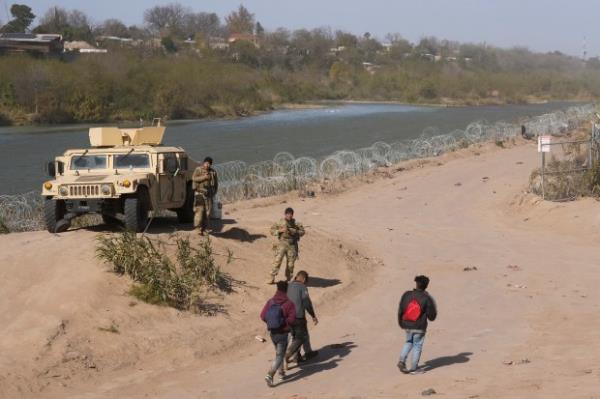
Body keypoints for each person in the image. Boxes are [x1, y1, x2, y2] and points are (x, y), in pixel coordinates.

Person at [397, 275, 437, 374]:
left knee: (409, 342)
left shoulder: (406, 294)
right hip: (419, 326)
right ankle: (414, 369)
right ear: (426, 285)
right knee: (417, 346)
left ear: (416, 283)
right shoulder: (427, 297)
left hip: (407, 324)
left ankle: (402, 360)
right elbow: (432, 316)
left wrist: (401, 323)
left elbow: (401, 309)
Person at [260, 280, 296, 387]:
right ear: (287, 289)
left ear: (277, 289)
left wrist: (272, 322)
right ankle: (270, 375)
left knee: (278, 353)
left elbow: (262, 316)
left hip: (272, 333)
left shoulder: (270, 302)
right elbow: (292, 319)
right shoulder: (289, 303)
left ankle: (281, 373)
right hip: (283, 333)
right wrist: (284, 324)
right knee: (280, 355)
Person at [285, 271, 319, 366]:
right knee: (302, 336)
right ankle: (290, 354)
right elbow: (306, 303)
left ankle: (298, 356)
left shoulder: (288, 286)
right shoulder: (302, 287)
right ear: (303, 279)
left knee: (295, 336)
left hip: (287, 317)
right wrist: (313, 316)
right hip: (298, 317)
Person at [267, 207, 305, 284]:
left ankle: (288, 279)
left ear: (292, 215)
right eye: (288, 214)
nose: (289, 216)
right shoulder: (280, 222)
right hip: (282, 244)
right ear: (285, 214)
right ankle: (272, 277)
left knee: (290, 264)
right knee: (277, 261)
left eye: (291, 214)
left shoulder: (296, 224)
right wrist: (279, 231)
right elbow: (271, 230)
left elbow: (302, 232)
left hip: (292, 245)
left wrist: (295, 231)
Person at [192, 157, 218, 235]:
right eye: (206, 163)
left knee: (208, 212)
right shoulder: (198, 170)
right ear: (203, 163)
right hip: (199, 193)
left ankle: (205, 228)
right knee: (199, 211)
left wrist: (214, 192)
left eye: (209, 164)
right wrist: (204, 177)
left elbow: (216, 184)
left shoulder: (213, 172)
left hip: (209, 194)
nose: (207, 165)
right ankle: (198, 228)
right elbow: (194, 178)